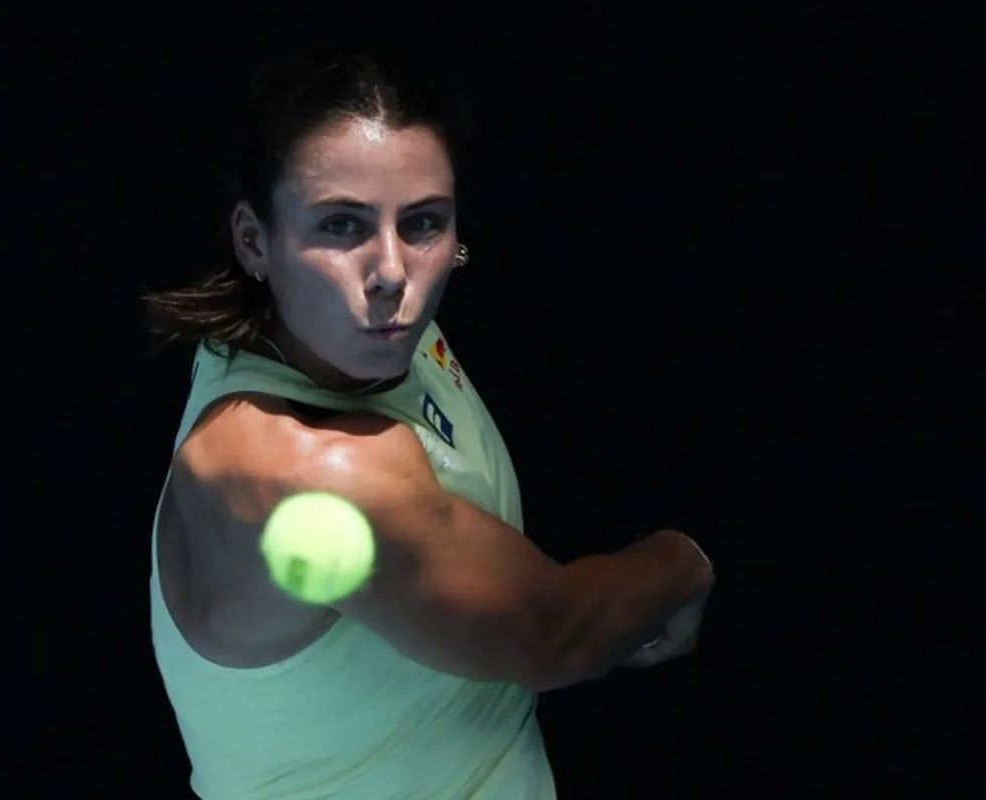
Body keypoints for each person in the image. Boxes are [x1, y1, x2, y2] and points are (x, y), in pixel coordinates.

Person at [146, 47, 716, 800]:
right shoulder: (311, 475)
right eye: (342, 226)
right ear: (254, 241)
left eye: (422, 223)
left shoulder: (342, 333)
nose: (390, 271)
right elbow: (557, 634)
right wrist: (685, 562)